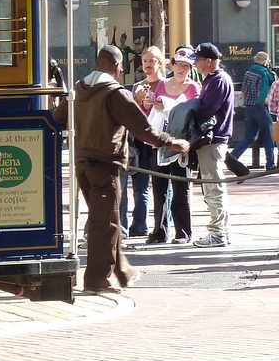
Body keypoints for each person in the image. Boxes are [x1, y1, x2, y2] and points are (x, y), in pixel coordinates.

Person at [55, 45, 187, 294]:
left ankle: (122, 271)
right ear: (116, 67)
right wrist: (172, 142)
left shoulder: (78, 89)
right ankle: (96, 279)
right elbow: (142, 128)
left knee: (107, 219)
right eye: (121, 67)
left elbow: (58, 116)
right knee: (105, 223)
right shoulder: (115, 93)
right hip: (105, 164)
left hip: (82, 163)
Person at [145, 48, 201, 244]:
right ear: (173, 65)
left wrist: (165, 107)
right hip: (159, 144)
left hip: (180, 145)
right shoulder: (161, 84)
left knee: (180, 189)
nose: (182, 69)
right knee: (159, 189)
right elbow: (153, 111)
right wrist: (150, 103)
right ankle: (159, 232)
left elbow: (190, 115)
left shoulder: (193, 88)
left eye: (186, 66)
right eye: (179, 64)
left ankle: (183, 232)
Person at [190, 42, 236, 248]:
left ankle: (218, 234)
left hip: (212, 140)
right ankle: (221, 232)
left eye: (198, 60)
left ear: (209, 61)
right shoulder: (214, 79)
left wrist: (189, 113)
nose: (195, 64)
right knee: (213, 186)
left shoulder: (217, 81)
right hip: (213, 141)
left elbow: (207, 109)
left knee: (213, 187)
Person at [126, 45, 167, 237]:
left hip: (159, 139)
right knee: (139, 185)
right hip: (140, 141)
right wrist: (136, 100)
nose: (148, 65)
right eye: (145, 61)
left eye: (152, 61)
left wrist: (157, 105)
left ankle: (163, 225)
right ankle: (139, 224)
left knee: (162, 186)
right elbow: (132, 113)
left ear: (160, 64)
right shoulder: (138, 86)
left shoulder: (166, 85)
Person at [229, 51, 278, 170]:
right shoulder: (265, 73)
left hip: (249, 108)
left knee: (250, 136)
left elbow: (243, 93)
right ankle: (270, 164)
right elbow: (263, 92)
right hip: (260, 107)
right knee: (268, 136)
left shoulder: (248, 72)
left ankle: (232, 157)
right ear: (265, 61)